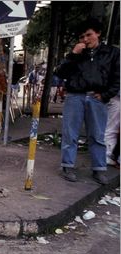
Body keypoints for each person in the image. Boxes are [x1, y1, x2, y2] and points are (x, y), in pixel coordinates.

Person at [55, 18, 120, 184]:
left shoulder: (112, 53)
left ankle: (99, 169)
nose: (85, 39)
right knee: (70, 133)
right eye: (82, 36)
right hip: (75, 96)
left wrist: (106, 95)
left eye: (89, 35)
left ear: (98, 33)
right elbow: (60, 73)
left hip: (97, 98)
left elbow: (117, 77)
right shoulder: (77, 53)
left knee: (98, 135)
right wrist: (73, 55)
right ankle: (67, 166)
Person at [105, 93, 120, 166]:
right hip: (117, 98)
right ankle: (107, 155)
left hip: (115, 97)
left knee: (111, 128)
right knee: (112, 129)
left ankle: (108, 155)